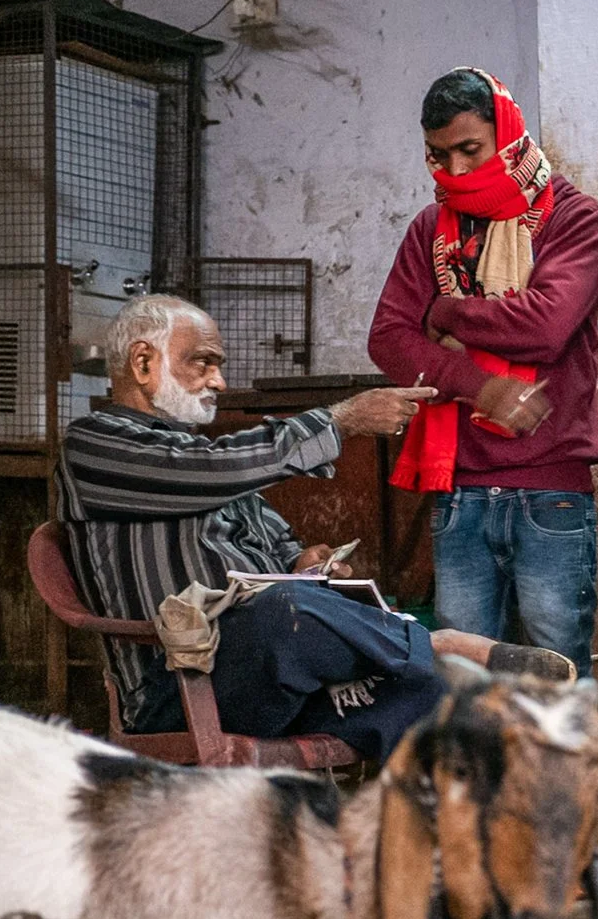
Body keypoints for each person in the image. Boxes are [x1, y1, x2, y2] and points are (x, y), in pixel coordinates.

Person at [58, 295, 551, 763]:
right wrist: (342, 421)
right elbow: (209, 469)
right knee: (284, 611)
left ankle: (454, 837)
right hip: (183, 688)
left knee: (434, 696)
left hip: (276, 674)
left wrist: (306, 564)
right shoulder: (93, 445)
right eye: (203, 363)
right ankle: (433, 642)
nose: (219, 381)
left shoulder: (210, 466)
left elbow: (279, 545)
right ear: (143, 364)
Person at [368, 66, 598, 672]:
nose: (453, 172)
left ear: (505, 133)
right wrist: (480, 386)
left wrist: (444, 309)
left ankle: (557, 775)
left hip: (551, 491)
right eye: (437, 155)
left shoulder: (574, 219)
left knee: (555, 673)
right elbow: (389, 340)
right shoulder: (430, 229)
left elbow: (547, 324)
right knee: (462, 676)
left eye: (469, 150)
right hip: (459, 489)